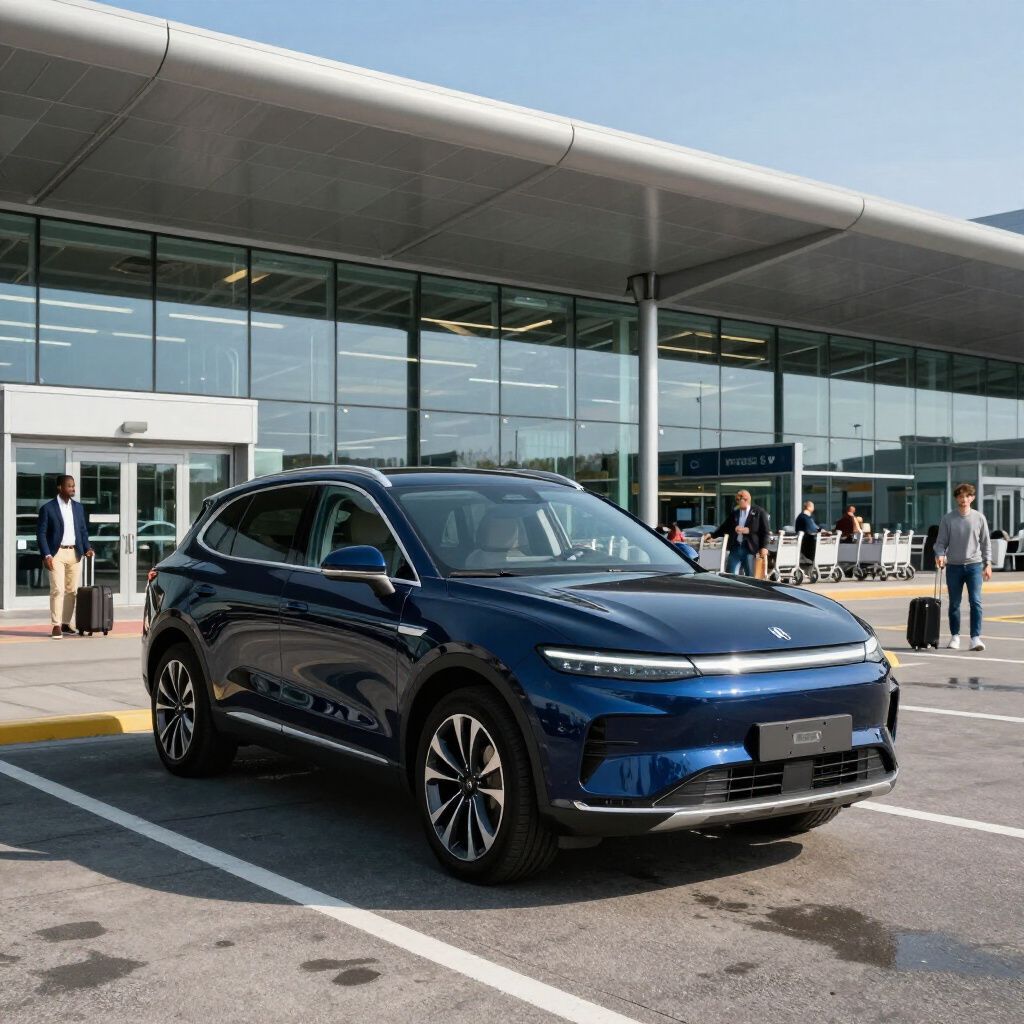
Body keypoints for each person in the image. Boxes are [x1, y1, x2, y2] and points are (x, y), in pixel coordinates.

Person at [933, 482, 992, 651]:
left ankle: (975, 638)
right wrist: (940, 555)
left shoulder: (979, 518)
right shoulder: (948, 519)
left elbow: (986, 543)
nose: (963, 499)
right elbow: (940, 543)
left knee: (975, 602)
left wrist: (988, 564)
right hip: (954, 567)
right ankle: (955, 637)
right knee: (954, 604)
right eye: (960, 496)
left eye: (967, 496)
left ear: (972, 498)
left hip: (974, 565)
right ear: (956, 498)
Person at [36, 474, 94, 639]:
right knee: (58, 590)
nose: (72, 489)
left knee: (71, 591)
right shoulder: (48, 508)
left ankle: (66, 623)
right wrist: (46, 554)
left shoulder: (78, 507)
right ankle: (56, 625)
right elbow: (41, 534)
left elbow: (82, 530)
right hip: (57, 553)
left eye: (73, 486)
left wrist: (87, 548)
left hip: (75, 553)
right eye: (69, 486)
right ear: (60, 487)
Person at [712, 490, 770, 576]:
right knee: (730, 573)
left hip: (750, 548)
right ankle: (732, 588)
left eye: (743, 499)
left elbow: (765, 531)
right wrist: (712, 535)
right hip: (736, 546)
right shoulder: (735, 513)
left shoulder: (759, 512)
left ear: (748, 500)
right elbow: (725, 527)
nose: (741, 501)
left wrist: (764, 547)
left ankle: (750, 589)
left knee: (750, 574)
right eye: (738, 500)